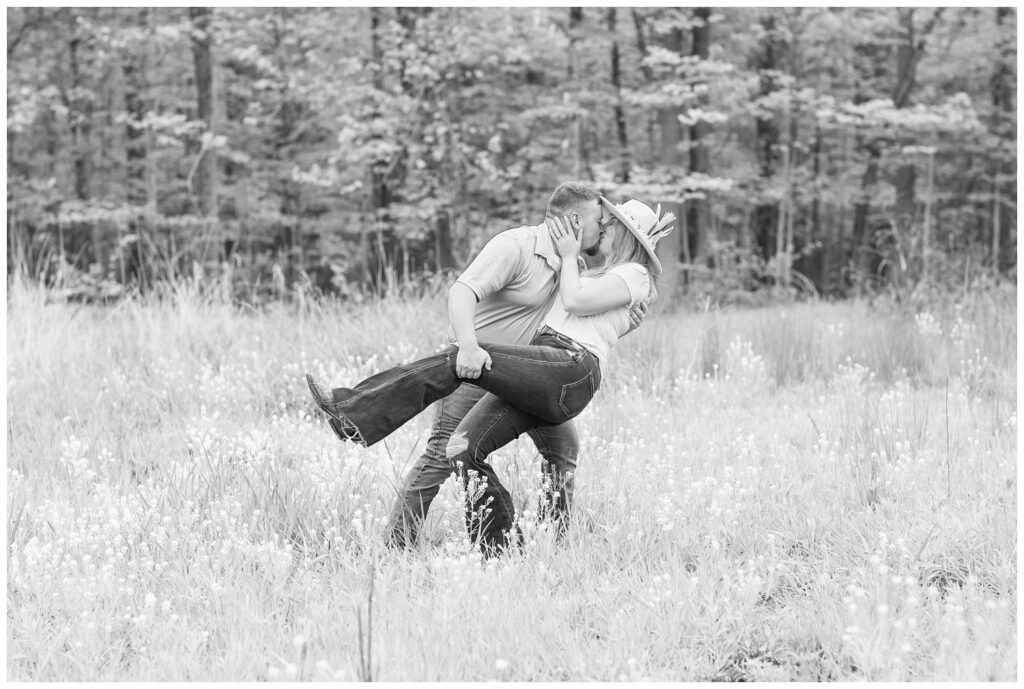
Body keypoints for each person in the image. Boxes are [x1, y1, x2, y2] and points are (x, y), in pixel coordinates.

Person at [306, 197, 675, 554]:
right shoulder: (526, 249)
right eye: (604, 220)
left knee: (532, 438)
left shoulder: (615, 271)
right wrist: (469, 345)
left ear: (627, 235)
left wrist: (572, 265)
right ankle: (497, 550)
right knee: (457, 450)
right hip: (512, 365)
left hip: (553, 368)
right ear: (578, 222)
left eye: (612, 224)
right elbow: (466, 292)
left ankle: (352, 413)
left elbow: (579, 310)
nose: (605, 227)